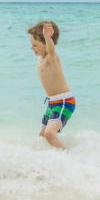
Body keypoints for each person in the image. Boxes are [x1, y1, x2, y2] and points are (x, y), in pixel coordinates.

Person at [26, 21, 76, 149]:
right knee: (42, 135)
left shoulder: (51, 58)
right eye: (31, 45)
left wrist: (48, 37)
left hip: (64, 102)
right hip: (52, 103)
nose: (32, 48)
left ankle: (68, 157)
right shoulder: (40, 58)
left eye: (35, 45)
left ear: (46, 44)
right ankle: (49, 160)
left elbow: (51, 49)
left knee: (49, 133)